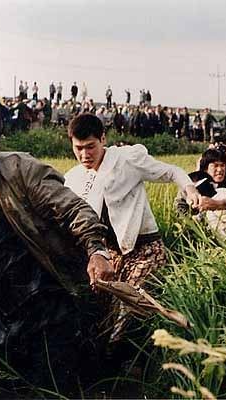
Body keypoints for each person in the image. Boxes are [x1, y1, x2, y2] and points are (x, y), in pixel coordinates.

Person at [0, 108, 113, 397]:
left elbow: (74, 209)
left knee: (53, 389)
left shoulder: (20, 170)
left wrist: (97, 251)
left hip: (47, 304)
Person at [64, 113, 200, 371]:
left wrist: (189, 188)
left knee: (130, 305)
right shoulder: (74, 178)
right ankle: (115, 363)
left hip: (145, 249)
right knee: (103, 312)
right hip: (109, 254)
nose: (84, 155)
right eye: (78, 149)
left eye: (90, 146)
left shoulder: (127, 159)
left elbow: (171, 172)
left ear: (103, 139)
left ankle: (122, 364)